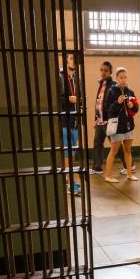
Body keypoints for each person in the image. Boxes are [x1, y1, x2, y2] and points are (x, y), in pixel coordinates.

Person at [102, 67, 139, 183]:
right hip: (117, 126)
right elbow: (107, 109)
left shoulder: (130, 91)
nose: (123, 79)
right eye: (121, 77)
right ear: (117, 78)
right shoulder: (112, 91)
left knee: (128, 150)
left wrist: (132, 106)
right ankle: (108, 176)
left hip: (128, 125)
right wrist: (117, 103)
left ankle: (129, 174)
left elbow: (136, 108)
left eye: (125, 77)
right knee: (114, 150)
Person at [59, 53, 82, 196]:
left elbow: (80, 98)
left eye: (75, 58)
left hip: (74, 122)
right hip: (64, 121)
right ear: (66, 59)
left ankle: (68, 179)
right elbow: (55, 98)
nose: (74, 61)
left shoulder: (76, 78)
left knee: (72, 153)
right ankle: (70, 182)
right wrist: (68, 99)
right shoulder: (60, 77)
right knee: (67, 153)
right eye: (72, 58)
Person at [90, 61, 115, 174]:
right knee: (97, 144)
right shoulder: (101, 84)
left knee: (115, 144)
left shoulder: (113, 85)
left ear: (110, 72)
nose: (103, 72)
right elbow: (98, 103)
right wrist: (96, 120)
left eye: (106, 70)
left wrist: (111, 119)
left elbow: (113, 104)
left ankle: (129, 165)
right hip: (100, 121)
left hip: (108, 121)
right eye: (101, 70)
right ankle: (97, 167)